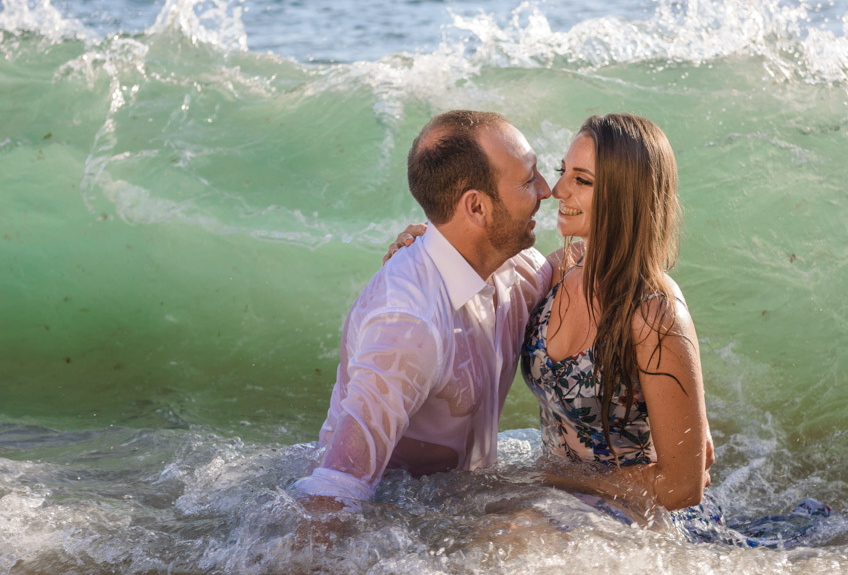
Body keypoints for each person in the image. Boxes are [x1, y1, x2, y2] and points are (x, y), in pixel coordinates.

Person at [387, 113, 715, 524]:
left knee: (509, 534)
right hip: (555, 496)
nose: (556, 189)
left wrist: (559, 480)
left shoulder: (654, 313)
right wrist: (424, 251)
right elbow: (469, 290)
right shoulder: (557, 272)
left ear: (626, 195)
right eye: (564, 172)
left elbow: (683, 486)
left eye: (582, 180)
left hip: (633, 513)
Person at [291, 110, 552, 510]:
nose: (547, 190)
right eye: (528, 180)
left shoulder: (518, 272)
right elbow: (334, 492)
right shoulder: (407, 323)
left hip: (459, 509)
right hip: (393, 521)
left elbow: (588, 276)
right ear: (477, 207)